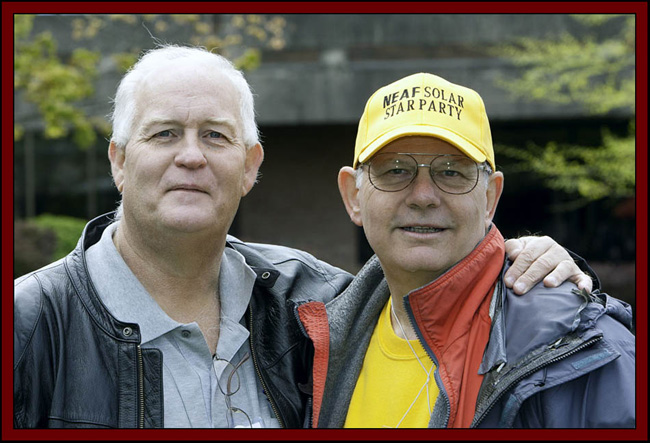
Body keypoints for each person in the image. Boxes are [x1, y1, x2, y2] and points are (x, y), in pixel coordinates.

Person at [13, 46, 597, 429]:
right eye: (164, 133)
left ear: (249, 165)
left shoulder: (310, 302)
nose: (190, 156)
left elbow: (430, 285)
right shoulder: (30, 325)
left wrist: (535, 263)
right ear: (118, 161)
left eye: (215, 136)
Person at [300, 73, 636, 428]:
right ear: (353, 195)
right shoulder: (305, 339)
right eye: (396, 170)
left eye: (452, 172)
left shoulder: (579, 350)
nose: (424, 197)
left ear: (490, 197)